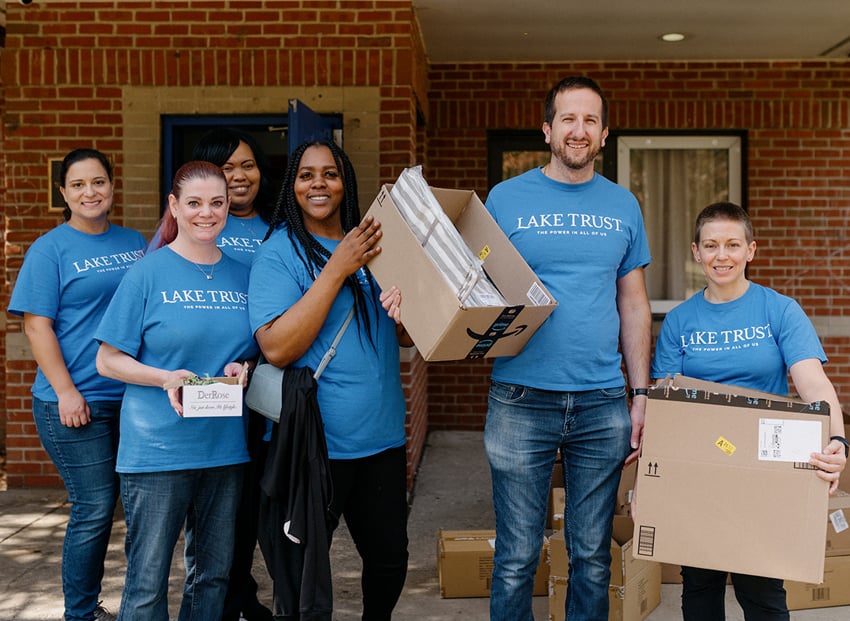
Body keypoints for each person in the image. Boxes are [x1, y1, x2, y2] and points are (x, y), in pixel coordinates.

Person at [482, 76, 652, 621]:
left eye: (590, 121)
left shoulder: (624, 205)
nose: (578, 130)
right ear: (547, 129)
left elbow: (633, 304)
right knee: (515, 556)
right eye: (568, 119)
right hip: (519, 396)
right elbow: (466, 289)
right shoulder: (505, 200)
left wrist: (640, 394)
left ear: (604, 134)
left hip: (602, 402)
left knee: (592, 557)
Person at [651, 201, 847, 621]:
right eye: (711, 245)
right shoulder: (680, 321)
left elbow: (814, 385)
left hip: (764, 471)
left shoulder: (779, 311)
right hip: (700, 469)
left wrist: (837, 439)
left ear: (751, 250)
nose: (722, 256)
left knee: (761, 593)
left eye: (732, 245)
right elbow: (665, 404)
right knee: (700, 588)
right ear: (696, 252)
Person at [249, 140, 413, 620]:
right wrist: (337, 268)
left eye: (330, 173)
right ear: (292, 186)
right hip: (314, 445)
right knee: (301, 574)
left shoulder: (374, 244)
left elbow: (403, 337)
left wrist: (405, 315)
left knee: (389, 559)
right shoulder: (279, 253)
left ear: (346, 182)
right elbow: (278, 346)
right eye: (306, 175)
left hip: (381, 437)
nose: (319, 183)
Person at [94, 161, 258, 621]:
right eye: (194, 203)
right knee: (147, 583)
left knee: (212, 578)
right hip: (157, 451)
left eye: (217, 203)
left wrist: (242, 366)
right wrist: (165, 377)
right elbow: (107, 360)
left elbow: (256, 352)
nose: (207, 213)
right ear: (174, 206)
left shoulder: (244, 275)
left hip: (223, 450)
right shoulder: (149, 273)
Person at [7, 148, 146, 621]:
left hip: (131, 399)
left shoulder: (135, 241)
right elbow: (35, 326)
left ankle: (134, 607)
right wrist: (67, 391)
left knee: (142, 508)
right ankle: (80, 614)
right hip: (74, 401)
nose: (91, 192)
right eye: (79, 185)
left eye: (99, 182)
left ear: (112, 186)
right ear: (64, 192)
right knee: (94, 507)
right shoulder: (50, 249)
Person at [192, 127, 276, 621]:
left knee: (248, 503)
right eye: (226, 168)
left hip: (262, 387)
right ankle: (216, 600)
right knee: (208, 507)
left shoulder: (278, 230)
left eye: (247, 165)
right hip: (208, 389)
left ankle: (240, 594)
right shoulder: (198, 227)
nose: (239, 176)